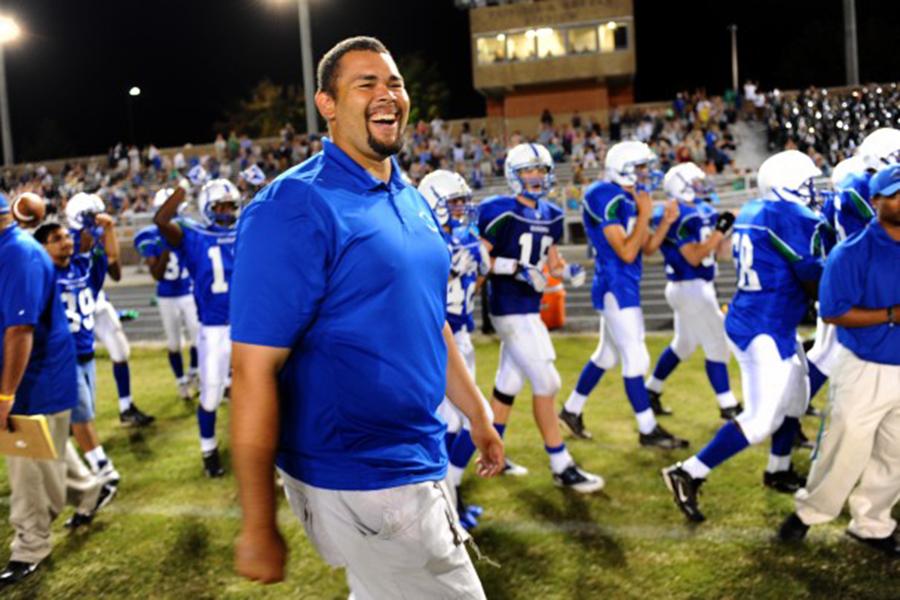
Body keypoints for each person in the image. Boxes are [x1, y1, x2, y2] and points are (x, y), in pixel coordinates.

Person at [230, 37, 504, 595]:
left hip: (410, 454)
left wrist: (476, 413)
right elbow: (252, 369)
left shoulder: (407, 193)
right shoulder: (294, 205)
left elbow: (428, 318)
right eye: (366, 84)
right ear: (327, 105)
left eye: (395, 83)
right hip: (361, 472)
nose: (387, 95)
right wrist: (257, 525)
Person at [662, 150, 830, 522]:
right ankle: (687, 472)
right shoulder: (788, 216)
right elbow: (813, 274)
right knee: (759, 419)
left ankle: (778, 469)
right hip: (762, 327)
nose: (814, 192)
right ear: (787, 187)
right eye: (808, 185)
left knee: (795, 402)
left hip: (767, 319)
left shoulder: (756, 209)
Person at [778, 163, 900, 556]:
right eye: (895, 193)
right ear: (876, 201)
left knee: (895, 455)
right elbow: (832, 311)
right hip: (865, 365)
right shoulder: (851, 252)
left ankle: (872, 523)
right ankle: (810, 512)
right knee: (843, 449)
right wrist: (891, 315)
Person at [478, 142, 602, 492]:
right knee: (547, 383)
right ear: (513, 175)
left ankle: (491, 453)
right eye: (527, 171)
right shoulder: (499, 211)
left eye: (541, 171)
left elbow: (551, 262)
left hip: (529, 308)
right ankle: (561, 464)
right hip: (508, 307)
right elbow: (477, 259)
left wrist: (567, 272)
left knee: (509, 383)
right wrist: (514, 267)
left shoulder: (551, 214)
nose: (535, 177)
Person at [0, 198, 107, 587]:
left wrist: (4, 394)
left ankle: (31, 546)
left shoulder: (16, 255)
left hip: (34, 378)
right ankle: (89, 488)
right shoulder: (10, 250)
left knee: (27, 465)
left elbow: (19, 331)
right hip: (31, 374)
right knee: (48, 452)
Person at [560, 141, 689, 449]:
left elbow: (647, 247)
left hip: (625, 283)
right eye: (642, 168)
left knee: (606, 355)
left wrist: (664, 222)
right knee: (636, 358)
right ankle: (648, 429)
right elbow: (626, 252)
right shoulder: (603, 194)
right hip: (614, 285)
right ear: (625, 169)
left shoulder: (629, 198)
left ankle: (571, 410)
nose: (647, 174)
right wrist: (645, 213)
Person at [419, 169, 491, 530]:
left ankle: (453, 495)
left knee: (467, 420)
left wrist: (482, 265)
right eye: (455, 202)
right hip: (437, 342)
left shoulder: (462, 237)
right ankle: (443, 507)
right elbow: (417, 293)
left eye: (464, 201)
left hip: (462, 335)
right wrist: (449, 273)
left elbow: (474, 283)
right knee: (449, 423)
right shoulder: (423, 240)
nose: (462, 208)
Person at [806, 128, 900, 405]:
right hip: (861, 287)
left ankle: (788, 424)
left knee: (826, 357)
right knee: (828, 358)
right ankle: (786, 425)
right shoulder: (865, 189)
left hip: (856, 279)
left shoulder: (852, 186)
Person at [154, 179, 241, 477]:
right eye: (220, 206)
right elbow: (161, 220)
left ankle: (274, 455)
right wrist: (182, 189)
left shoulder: (248, 231)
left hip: (248, 326)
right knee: (211, 395)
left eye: (231, 205)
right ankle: (209, 452)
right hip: (215, 328)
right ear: (206, 208)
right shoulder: (194, 235)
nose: (227, 212)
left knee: (264, 391)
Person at [642, 162, 741, 419]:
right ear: (681, 187)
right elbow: (694, 257)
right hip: (689, 287)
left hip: (698, 286)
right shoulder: (678, 215)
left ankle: (651, 391)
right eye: (695, 183)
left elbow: (717, 250)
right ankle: (727, 405)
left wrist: (732, 232)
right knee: (717, 344)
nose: (700, 186)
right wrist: (720, 231)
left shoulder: (702, 209)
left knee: (684, 344)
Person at [43, 202, 122, 488]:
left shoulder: (81, 267)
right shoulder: (43, 275)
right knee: (82, 415)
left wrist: (109, 228)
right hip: (64, 356)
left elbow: (110, 256)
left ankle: (71, 466)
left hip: (87, 352)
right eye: (56, 240)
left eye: (66, 236)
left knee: (82, 417)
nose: (65, 242)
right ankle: (103, 470)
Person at [65, 193, 155, 428]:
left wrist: (110, 231)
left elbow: (115, 272)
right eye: (92, 217)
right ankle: (71, 418)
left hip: (95, 303)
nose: (99, 220)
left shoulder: (95, 239)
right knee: (71, 363)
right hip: (71, 311)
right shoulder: (65, 242)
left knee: (120, 351)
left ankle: (126, 407)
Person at [134, 187, 199, 400]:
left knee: (199, 338)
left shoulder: (188, 231)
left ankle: (194, 372)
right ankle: (181, 381)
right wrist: (166, 248)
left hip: (189, 291)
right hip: (167, 295)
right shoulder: (149, 237)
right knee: (174, 343)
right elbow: (157, 275)